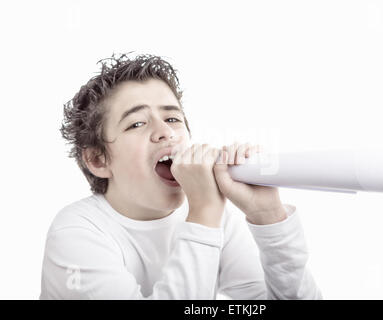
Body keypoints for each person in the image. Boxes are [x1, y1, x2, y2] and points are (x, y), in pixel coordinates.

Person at [39, 53, 322, 299]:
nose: (166, 131)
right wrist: (205, 212)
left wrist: (268, 217)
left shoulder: (213, 217)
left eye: (173, 118)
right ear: (98, 160)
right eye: (136, 123)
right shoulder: (75, 233)